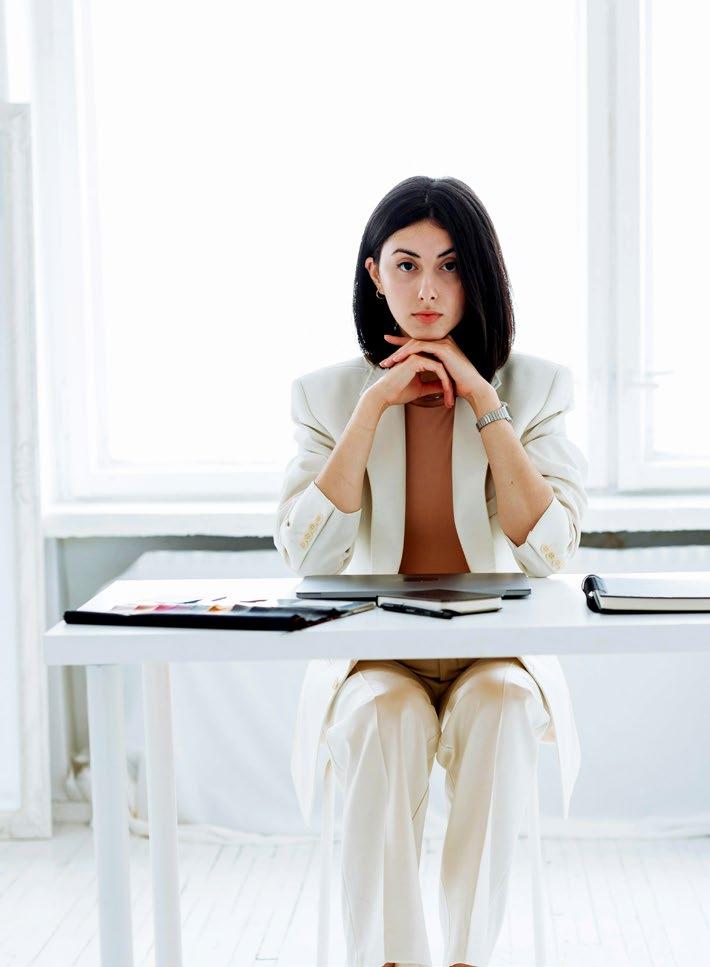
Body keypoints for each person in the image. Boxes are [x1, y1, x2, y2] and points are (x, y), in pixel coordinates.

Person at [273, 175, 588, 967]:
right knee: (383, 715)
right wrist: (372, 407)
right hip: (378, 655)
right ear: (374, 273)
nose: (427, 289)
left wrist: (483, 398)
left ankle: (467, 958)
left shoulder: (536, 386)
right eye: (406, 265)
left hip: (494, 651)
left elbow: (551, 550)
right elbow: (309, 555)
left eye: (450, 266)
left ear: (478, 274)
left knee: (505, 704)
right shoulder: (326, 395)